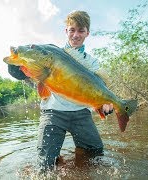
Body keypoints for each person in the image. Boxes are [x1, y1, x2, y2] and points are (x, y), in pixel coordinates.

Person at [7, 10, 113, 172]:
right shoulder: (52, 55)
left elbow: (99, 87)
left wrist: (107, 104)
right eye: (72, 30)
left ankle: (77, 170)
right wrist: (18, 70)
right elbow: (32, 77)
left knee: (95, 154)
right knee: (45, 163)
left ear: (87, 33)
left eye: (81, 30)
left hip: (81, 113)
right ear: (66, 31)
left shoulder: (91, 63)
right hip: (53, 113)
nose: (76, 35)